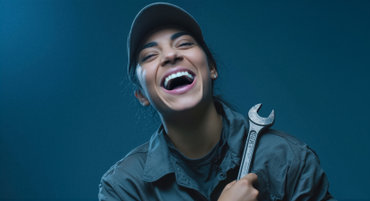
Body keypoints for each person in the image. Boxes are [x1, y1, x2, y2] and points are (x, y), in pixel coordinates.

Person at [98, 2, 335, 201]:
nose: (171, 55)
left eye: (185, 43)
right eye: (150, 56)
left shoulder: (289, 161)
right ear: (141, 95)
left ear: (211, 68)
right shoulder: (123, 188)